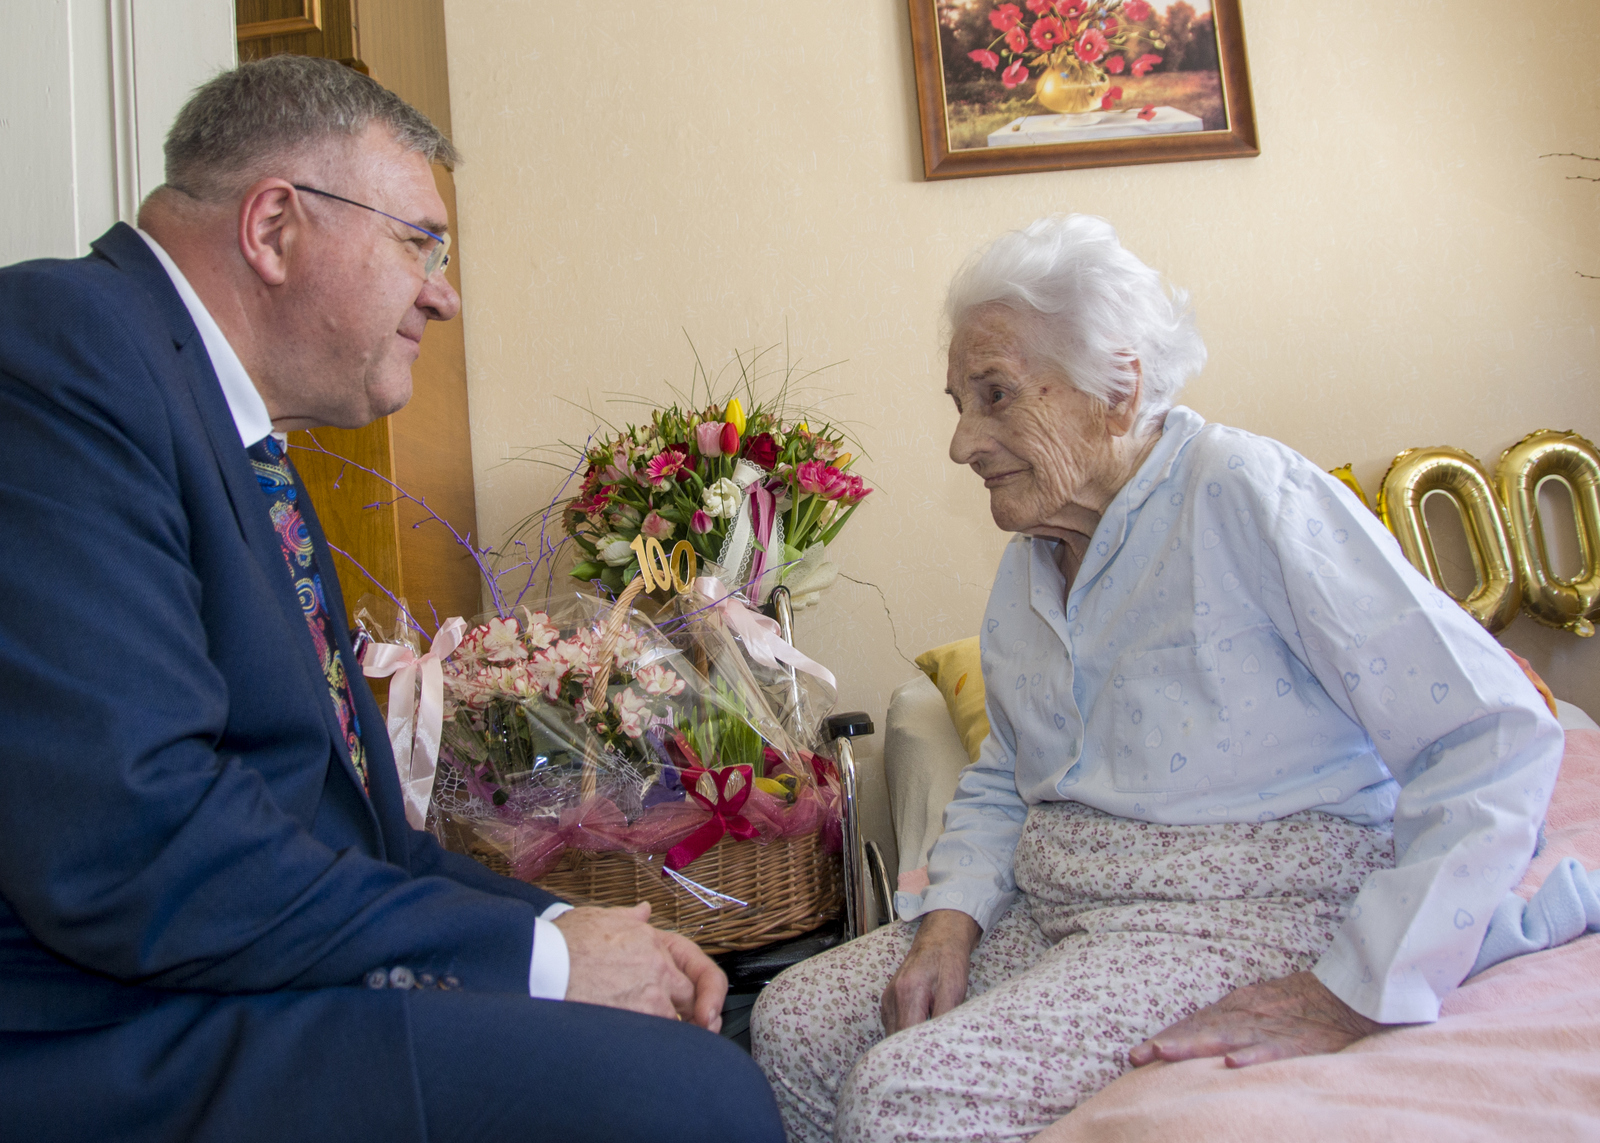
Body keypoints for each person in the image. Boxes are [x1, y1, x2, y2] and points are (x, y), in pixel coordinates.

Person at [0, 56, 782, 1143]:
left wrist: (573, 922)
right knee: (698, 1102)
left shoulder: (234, 434)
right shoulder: (58, 351)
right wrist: (543, 962)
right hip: (106, 1030)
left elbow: (370, 845)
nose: (444, 293)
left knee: (695, 1042)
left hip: (227, 977)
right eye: (420, 242)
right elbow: (130, 840)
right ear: (274, 228)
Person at [750, 214, 1564, 1142]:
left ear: (1118, 388)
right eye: (958, 402)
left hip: (1236, 910)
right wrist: (950, 920)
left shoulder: (1245, 492)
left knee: (911, 1094)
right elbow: (1010, 771)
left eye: (996, 394)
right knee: (793, 1026)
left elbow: (1493, 729)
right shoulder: (1034, 555)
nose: (962, 441)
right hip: (1066, 901)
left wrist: (1361, 989)